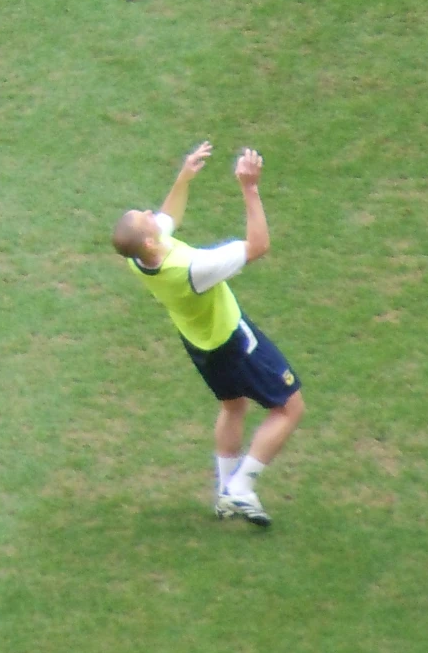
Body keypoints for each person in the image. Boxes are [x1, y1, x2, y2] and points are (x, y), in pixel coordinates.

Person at [113, 143, 304, 525]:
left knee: (233, 406)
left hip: (199, 345)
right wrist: (250, 188)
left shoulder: (139, 259)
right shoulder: (193, 268)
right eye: (144, 217)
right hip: (234, 340)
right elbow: (258, 246)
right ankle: (242, 488)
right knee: (289, 407)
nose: (151, 213)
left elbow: (168, 216)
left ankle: (222, 494)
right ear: (150, 242)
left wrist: (184, 176)